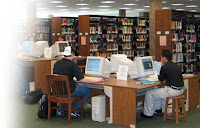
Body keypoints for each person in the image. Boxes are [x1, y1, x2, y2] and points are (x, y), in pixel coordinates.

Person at [53, 46, 104, 117]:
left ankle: (61, 110)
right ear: (72, 54)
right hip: (69, 91)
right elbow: (82, 79)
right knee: (87, 90)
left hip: (58, 91)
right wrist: (97, 80)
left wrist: (72, 78)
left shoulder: (56, 63)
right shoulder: (72, 65)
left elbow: (60, 76)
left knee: (71, 88)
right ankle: (74, 110)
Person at [141, 50, 185, 118]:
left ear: (164, 58)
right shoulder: (176, 65)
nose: (161, 59)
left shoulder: (165, 67)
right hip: (181, 90)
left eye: (161, 57)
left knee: (149, 93)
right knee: (163, 90)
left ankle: (148, 114)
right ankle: (165, 111)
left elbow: (160, 79)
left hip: (172, 91)